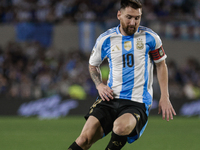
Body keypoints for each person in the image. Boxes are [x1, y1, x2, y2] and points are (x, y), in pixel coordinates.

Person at [68, 0, 176, 149]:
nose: (133, 22)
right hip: (110, 97)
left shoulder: (151, 38)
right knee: (84, 139)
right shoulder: (105, 39)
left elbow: (161, 65)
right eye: (129, 17)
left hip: (137, 101)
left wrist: (165, 96)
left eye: (137, 18)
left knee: (120, 127)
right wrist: (99, 85)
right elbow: (93, 65)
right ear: (119, 14)